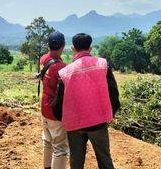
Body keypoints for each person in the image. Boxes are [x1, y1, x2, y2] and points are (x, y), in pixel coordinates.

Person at [57, 33, 120, 169]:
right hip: (99, 122)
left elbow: (59, 102)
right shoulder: (103, 65)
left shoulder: (65, 72)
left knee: (76, 161)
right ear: (90, 48)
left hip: (74, 124)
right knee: (104, 159)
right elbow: (114, 93)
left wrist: (63, 119)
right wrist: (108, 114)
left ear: (73, 48)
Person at [39, 31, 69, 169]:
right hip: (55, 109)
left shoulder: (43, 59)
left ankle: (47, 166)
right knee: (60, 147)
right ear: (63, 46)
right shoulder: (62, 67)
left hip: (44, 106)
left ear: (48, 45)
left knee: (47, 140)